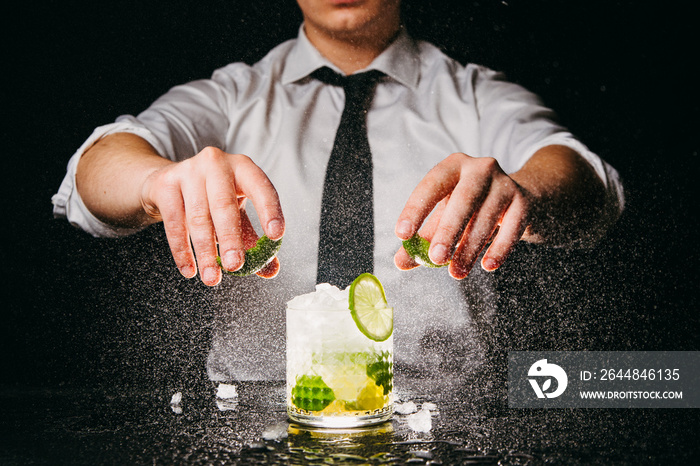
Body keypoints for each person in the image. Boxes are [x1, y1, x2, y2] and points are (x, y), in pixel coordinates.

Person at [52, 0, 623, 381]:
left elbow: (582, 178)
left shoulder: (474, 95)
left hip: (445, 417)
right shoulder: (233, 95)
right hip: (250, 415)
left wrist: (524, 191)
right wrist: (155, 182)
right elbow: (98, 169)